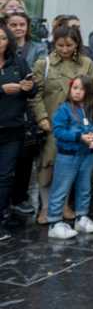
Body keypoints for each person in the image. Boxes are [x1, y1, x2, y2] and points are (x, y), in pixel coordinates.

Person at [30, 25, 93, 224]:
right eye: (60, 45)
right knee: (47, 165)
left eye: (70, 45)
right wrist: (41, 118)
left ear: (77, 44)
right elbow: (35, 95)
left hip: (77, 125)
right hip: (51, 123)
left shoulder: (86, 63)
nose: (65, 49)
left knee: (70, 165)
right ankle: (46, 207)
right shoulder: (44, 63)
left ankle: (65, 204)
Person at [46, 76, 93, 239]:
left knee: (85, 187)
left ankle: (82, 217)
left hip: (88, 156)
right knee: (61, 188)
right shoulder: (64, 109)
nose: (77, 92)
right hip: (68, 156)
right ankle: (54, 222)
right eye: (75, 88)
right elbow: (58, 131)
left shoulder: (92, 108)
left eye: (82, 89)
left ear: (89, 92)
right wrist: (79, 136)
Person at [6, 11, 46, 217]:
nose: (19, 28)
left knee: (24, 156)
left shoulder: (38, 48)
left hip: (28, 108)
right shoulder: (5, 49)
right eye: (14, 25)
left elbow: (35, 75)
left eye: (22, 24)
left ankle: (19, 198)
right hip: (7, 107)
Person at [0, 24, 35, 240]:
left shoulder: (18, 62)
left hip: (12, 130)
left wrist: (29, 87)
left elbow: (33, 89)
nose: (0, 41)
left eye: (3, 38)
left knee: (4, 177)